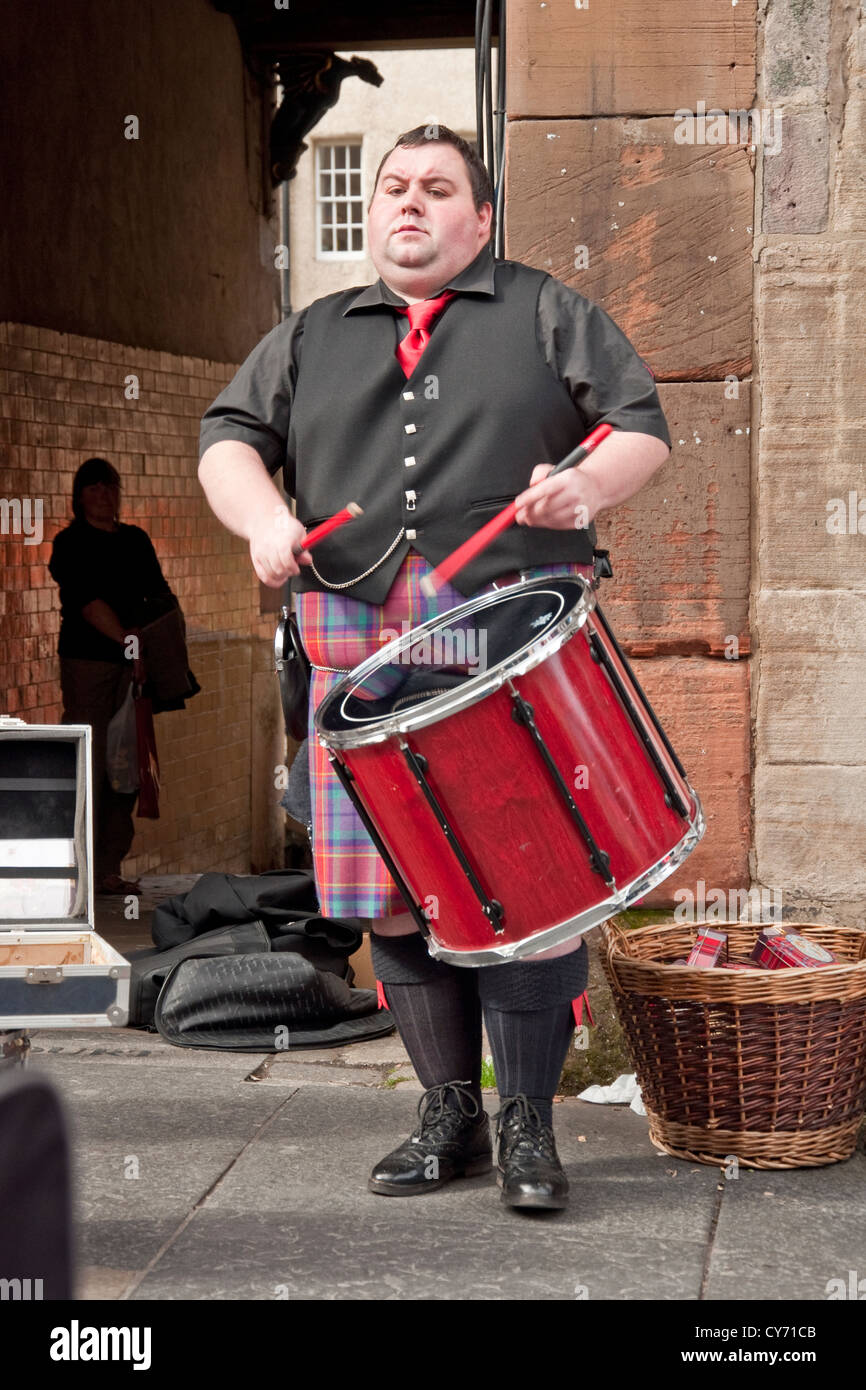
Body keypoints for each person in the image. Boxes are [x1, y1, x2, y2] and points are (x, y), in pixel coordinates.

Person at [198, 125, 671, 1211]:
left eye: (436, 188)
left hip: (503, 652)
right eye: (392, 188)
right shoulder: (311, 333)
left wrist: (585, 489)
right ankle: (445, 1114)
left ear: (480, 218)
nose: (408, 203)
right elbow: (227, 437)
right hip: (355, 650)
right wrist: (265, 518)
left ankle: (526, 1131)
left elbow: (637, 427)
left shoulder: (547, 310)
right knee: (392, 904)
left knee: (530, 895)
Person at [49, 458, 174, 893]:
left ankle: (107, 868)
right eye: (94, 487)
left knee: (127, 766)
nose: (104, 494)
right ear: (79, 496)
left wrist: (148, 644)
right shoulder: (70, 544)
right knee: (92, 762)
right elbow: (86, 601)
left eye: (111, 487)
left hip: (133, 668)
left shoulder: (135, 541)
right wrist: (127, 639)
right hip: (89, 665)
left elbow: (160, 595)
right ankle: (77, 867)